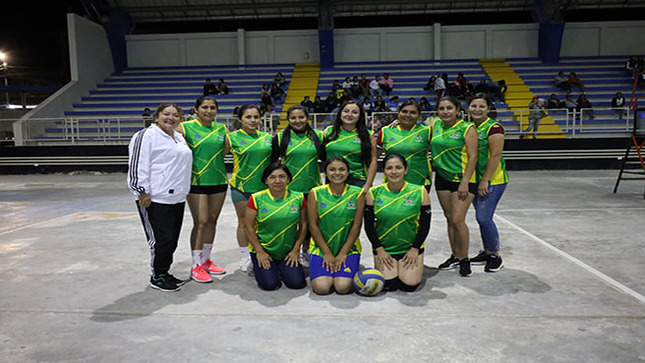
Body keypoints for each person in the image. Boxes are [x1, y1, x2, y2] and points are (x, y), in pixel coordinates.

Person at [128, 103, 192, 292]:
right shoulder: (146, 136)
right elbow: (137, 164)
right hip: (154, 198)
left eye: (176, 115)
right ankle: (157, 276)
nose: (171, 118)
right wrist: (142, 190)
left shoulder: (179, 138)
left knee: (171, 239)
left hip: (177, 197)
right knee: (160, 240)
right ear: (156, 117)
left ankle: (164, 272)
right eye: (166, 114)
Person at [178, 96, 228, 283]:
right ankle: (195, 265)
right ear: (196, 109)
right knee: (201, 221)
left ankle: (206, 260)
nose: (209, 110)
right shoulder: (186, 127)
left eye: (212, 107)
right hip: (196, 181)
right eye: (204, 107)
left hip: (219, 179)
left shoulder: (222, 129)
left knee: (213, 221)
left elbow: (224, 151)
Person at [364, 154, 431, 291]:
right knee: (389, 284)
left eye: (398, 168)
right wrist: (379, 249)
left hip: (410, 248)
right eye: (389, 168)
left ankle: (406, 264)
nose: (394, 172)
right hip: (385, 248)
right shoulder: (374, 193)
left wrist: (415, 249)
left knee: (409, 285)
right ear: (384, 171)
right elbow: (369, 226)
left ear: (405, 170)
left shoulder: (420, 191)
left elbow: (425, 225)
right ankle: (393, 264)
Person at [431, 96, 478, 277]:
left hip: (463, 180)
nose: (445, 112)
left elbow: (473, 156)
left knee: (458, 220)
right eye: (441, 108)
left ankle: (465, 259)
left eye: (449, 108)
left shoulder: (467, 128)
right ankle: (455, 256)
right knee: (449, 218)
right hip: (442, 178)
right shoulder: (435, 126)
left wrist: (465, 181)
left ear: (457, 109)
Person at [244, 162, 307, 291]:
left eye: (282, 177)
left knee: (297, 283)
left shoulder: (298, 197)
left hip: (287, 251)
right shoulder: (256, 198)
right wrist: (260, 252)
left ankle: (278, 267)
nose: (277, 181)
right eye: (272, 177)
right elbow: (248, 227)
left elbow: (303, 224)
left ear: (288, 179)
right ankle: (257, 264)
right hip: (264, 250)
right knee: (270, 285)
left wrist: (296, 250)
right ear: (266, 180)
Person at [308, 157, 365, 295]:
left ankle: (345, 266)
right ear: (326, 173)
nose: (337, 173)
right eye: (332, 169)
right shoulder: (315, 193)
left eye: (342, 169)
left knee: (342, 287)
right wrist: (326, 253)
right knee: (322, 288)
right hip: (320, 247)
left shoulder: (357, 193)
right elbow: (313, 225)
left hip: (348, 248)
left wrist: (343, 253)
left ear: (347, 172)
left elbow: (356, 226)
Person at [227, 105, 273, 272]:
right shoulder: (231, 138)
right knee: (244, 223)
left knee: (264, 223)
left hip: (264, 189)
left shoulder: (268, 138)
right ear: (240, 119)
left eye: (256, 117)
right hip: (241, 187)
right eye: (248, 117)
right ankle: (246, 256)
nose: (252, 120)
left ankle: (263, 252)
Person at [467, 94, 508, 272]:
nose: (477, 109)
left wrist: (485, 180)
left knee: (483, 217)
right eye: (474, 105)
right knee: (482, 218)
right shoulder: (470, 127)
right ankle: (487, 250)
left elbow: (495, 155)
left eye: (481, 106)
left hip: (492, 180)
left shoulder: (494, 128)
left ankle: (495, 255)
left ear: (489, 108)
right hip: (475, 179)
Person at [376, 100, 432, 189]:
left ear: (419, 115)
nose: (408, 115)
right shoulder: (385, 131)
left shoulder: (427, 131)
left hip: (420, 182)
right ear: (399, 113)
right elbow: (374, 158)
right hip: (391, 182)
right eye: (404, 111)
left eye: (413, 112)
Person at [323, 100, 378, 191]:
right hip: (333, 180)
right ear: (340, 113)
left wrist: (368, 185)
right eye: (346, 111)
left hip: (357, 181)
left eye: (355, 112)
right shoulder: (329, 131)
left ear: (360, 116)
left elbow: (373, 161)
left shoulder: (368, 135)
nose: (349, 115)